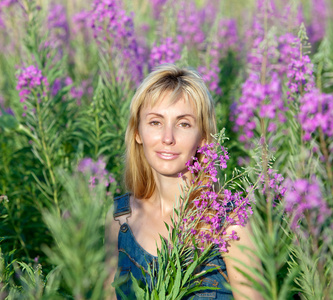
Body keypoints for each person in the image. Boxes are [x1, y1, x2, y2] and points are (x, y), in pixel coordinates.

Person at [105, 64, 263, 299]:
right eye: (155, 122)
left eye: (184, 124)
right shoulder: (119, 220)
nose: (168, 138)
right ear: (137, 133)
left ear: (202, 138)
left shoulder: (230, 225)